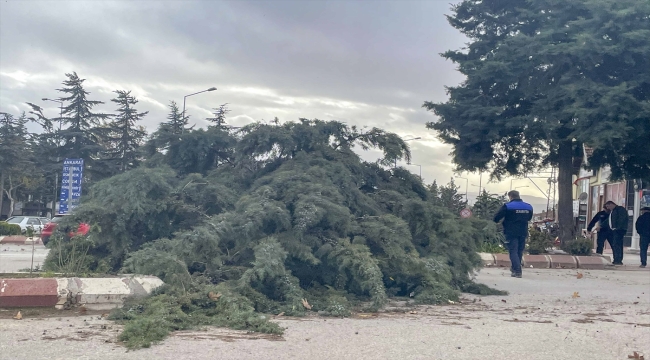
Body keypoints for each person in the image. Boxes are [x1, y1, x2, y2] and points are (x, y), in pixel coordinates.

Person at [494, 190, 534, 278]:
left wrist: (497, 222)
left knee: (513, 250)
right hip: (523, 231)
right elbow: (529, 218)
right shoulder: (528, 207)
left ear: (510, 196)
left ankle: (517, 270)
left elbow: (497, 217)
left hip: (510, 232)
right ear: (518, 196)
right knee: (519, 251)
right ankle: (515, 268)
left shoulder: (508, 206)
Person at [605, 201, 628, 265]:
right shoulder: (612, 211)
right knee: (616, 244)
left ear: (611, 204)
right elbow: (609, 220)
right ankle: (617, 259)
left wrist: (617, 228)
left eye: (608, 206)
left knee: (617, 244)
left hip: (619, 230)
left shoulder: (620, 209)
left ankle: (618, 259)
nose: (608, 208)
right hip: (614, 230)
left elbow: (622, 219)